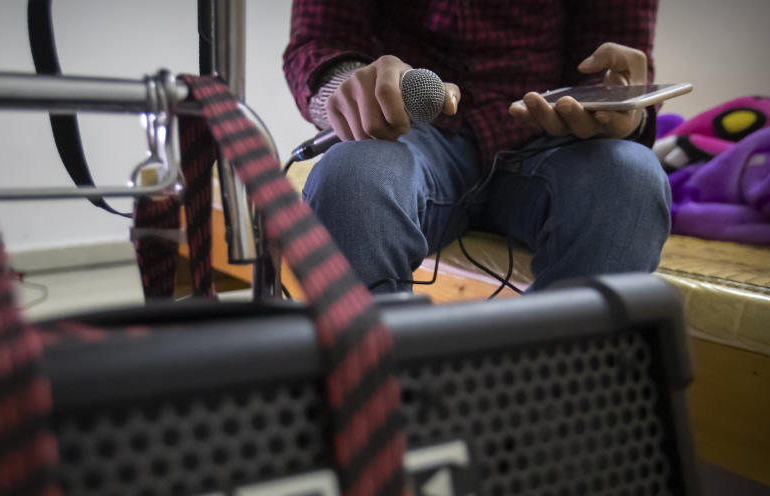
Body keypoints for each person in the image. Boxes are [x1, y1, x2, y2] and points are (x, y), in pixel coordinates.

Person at [282, 1, 671, 293]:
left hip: (550, 139)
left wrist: (625, 111)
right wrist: (351, 91)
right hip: (409, 130)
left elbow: (619, 60)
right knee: (352, 176)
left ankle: (555, 388)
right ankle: (379, 389)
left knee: (630, 179)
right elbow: (319, 41)